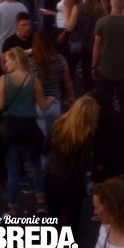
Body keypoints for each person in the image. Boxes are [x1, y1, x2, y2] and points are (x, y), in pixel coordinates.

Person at [0, 47, 55, 215]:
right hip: (30, 129)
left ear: (16, 61)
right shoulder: (34, 80)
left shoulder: (4, 79)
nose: (6, 65)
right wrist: (51, 100)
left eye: (8, 61)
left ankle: (13, 207)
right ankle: (40, 201)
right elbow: (43, 106)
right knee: (36, 166)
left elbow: (0, 106)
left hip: (10, 131)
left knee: (13, 170)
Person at [45, 95, 100, 237]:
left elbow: (45, 147)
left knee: (53, 217)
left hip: (51, 176)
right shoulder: (86, 134)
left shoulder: (58, 124)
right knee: (72, 220)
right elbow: (83, 165)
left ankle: (51, 247)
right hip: (70, 182)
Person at [92, 0, 124, 119]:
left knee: (106, 100)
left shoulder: (102, 22)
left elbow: (97, 47)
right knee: (123, 100)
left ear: (111, 3)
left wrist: (94, 66)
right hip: (122, 67)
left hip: (106, 67)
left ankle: (107, 123)